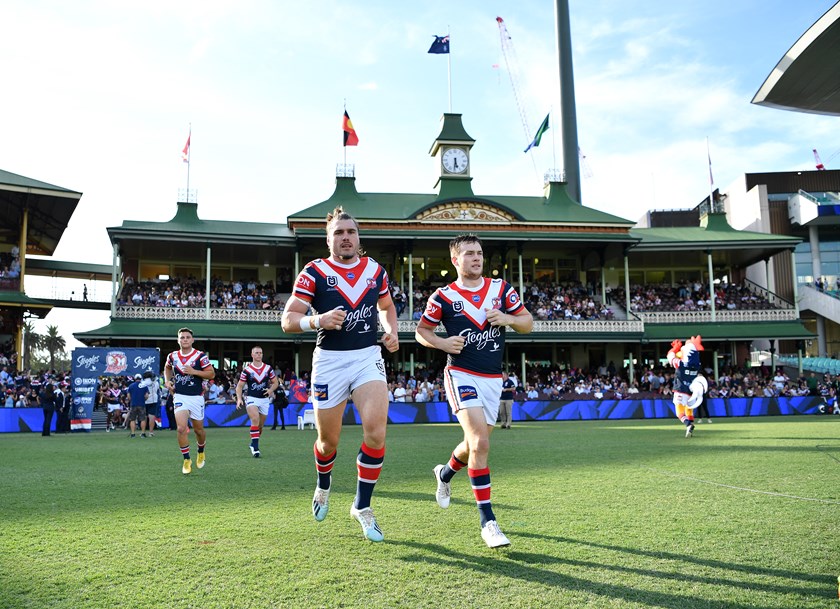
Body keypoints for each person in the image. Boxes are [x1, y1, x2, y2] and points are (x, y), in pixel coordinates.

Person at [280, 206, 399, 542]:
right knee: (327, 441)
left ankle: (362, 506)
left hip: (366, 357)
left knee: (376, 433)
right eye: (339, 233)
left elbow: (386, 306)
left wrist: (390, 330)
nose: (346, 238)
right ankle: (323, 483)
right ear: (328, 238)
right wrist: (317, 320)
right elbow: (288, 320)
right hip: (329, 361)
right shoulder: (314, 272)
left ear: (358, 237)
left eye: (351, 232)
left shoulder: (375, 271)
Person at [415, 233, 533, 548]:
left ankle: (444, 475)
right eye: (469, 253)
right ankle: (488, 522)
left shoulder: (501, 289)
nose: (477, 258)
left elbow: (527, 322)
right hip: (460, 373)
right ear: (455, 260)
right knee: (480, 442)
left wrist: (508, 318)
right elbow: (422, 331)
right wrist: (441, 342)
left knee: (474, 444)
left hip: (493, 378)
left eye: (479, 253)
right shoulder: (442, 296)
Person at [164, 327, 215, 474]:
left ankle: (201, 451)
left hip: (196, 398)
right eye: (182, 337)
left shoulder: (200, 356)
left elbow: (211, 374)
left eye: (187, 337)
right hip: (179, 396)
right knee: (181, 428)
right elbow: (167, 368)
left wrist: (194, 372)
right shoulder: (172, 356)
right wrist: (167, 381)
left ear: (192, 340)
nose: (185, 340)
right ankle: (186, 459)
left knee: (199, 431)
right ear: (178, 340)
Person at [235, 346, 279, 458]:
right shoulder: (247, 370)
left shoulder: (268, 368)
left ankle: (252, 443)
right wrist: (239, 399)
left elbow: (275, 383)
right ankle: (256, 448)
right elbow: (239, 386)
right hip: (251, 398)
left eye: (261, 353)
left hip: (264, 400)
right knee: (255, 419)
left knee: (260, 426)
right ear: (252, 355)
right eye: (257, 353)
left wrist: (270, 390)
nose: (259, 354)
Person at [666, 336, 707, 438]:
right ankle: (691, 427)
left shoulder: (681, 364)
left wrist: (675, 348)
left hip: (680, 389)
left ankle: (688, 425)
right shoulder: (698, 365)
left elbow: (669, 356)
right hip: (691, 391)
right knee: (689, 410)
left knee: (679, 412)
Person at [126, 373, 149, 438]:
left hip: (133, 404)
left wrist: (132, 400)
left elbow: (128, 396)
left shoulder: (131, 386)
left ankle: (133, 434)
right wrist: (144, 400)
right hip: (141, 404)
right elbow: (147, 395)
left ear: (135, 379)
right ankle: (143, 433)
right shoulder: (144, 386)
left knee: (132, 419)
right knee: (142, 419)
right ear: (141, 379)